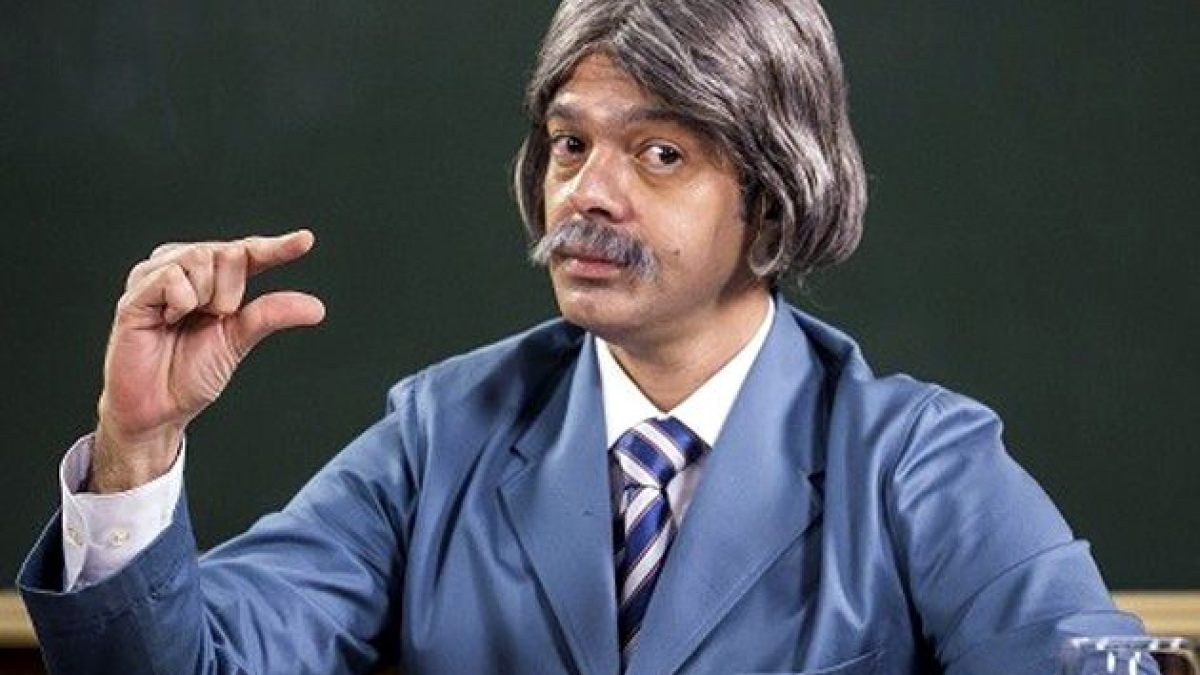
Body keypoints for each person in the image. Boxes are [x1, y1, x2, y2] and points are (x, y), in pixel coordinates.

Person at [19, 0, 1145, 673]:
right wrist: (137, 444)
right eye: (569, 144)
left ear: (772, 198)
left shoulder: (919, 461)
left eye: (660, 153)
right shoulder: (440, 435)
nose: (587, 195)